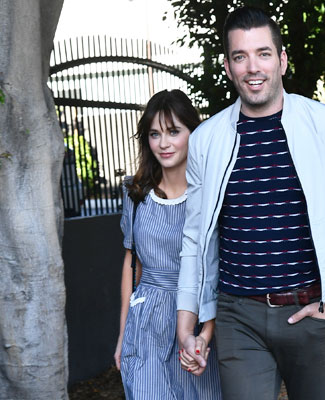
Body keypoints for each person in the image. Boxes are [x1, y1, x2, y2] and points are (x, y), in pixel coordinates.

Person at [176, 6, 325, 400]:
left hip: (311, 311)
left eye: (263, 53)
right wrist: (187, 324)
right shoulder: (206, 139)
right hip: (238, 319)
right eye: (240, 56)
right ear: (228, 66)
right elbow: (194, 238)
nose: (253, 67)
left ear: (282, 60)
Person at [115, 89, 222, 399]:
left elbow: (218, 272)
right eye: (155, 134)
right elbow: (131, 264)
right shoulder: (135, 193)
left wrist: (206, 333)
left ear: (193, 133)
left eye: (174, 131)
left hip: (198, 319)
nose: (163, 143)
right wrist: (122, 334)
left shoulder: (210, 195)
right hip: (146, 324)